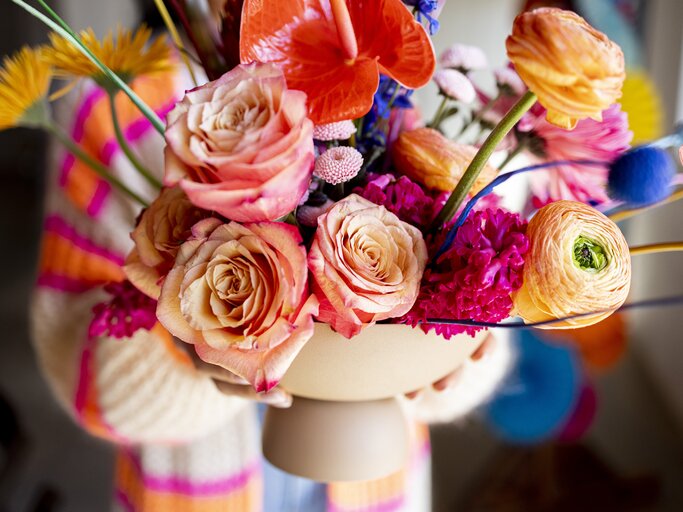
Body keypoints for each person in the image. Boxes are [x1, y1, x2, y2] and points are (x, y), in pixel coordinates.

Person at [30, 48, 511, 511]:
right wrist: (188, 338)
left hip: (381, 491)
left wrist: (450, 353)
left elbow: (492, 308)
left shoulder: (380, 81)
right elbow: (84, 380)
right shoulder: (110, 103)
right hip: (190, 494)